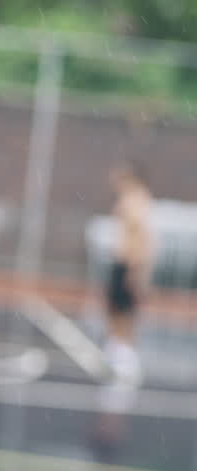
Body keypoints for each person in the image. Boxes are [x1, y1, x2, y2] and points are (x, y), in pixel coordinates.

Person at [103, 160, 153, 383]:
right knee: (115, 305)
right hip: (122, 259)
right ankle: (116, 346)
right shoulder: (127, 199)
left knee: (125, 308)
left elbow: (142, 236)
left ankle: (125, 353)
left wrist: (136, 268)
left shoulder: (137, 200)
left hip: (130, 262)